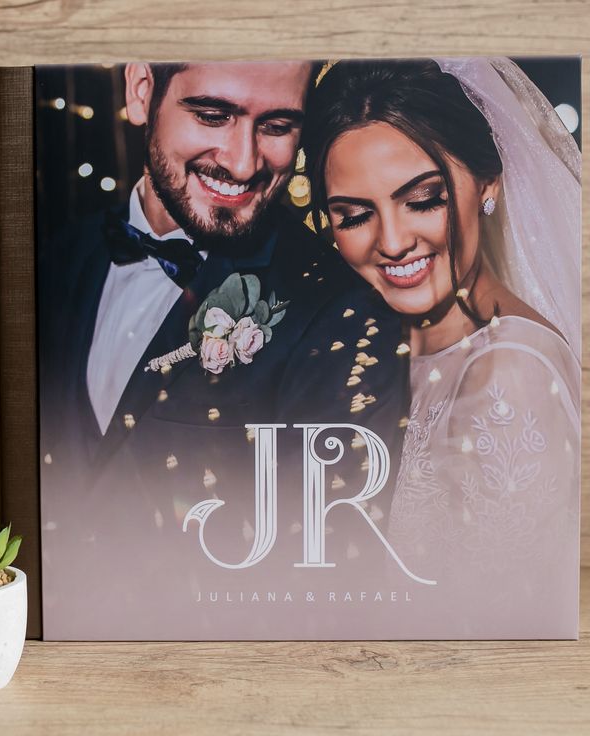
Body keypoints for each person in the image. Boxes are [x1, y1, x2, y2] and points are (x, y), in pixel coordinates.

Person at [37, 62, 408, 639]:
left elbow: (329, 589)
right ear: (142, 92)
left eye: (277, 126)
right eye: (212, 115)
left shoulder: (342, 311)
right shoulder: (55, 258)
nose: (242, 161)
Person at [303, 58, 581, 637]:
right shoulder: (371, 346)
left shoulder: (509, 373)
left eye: (423, 199)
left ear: (488, 181)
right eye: (354, 215)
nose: (394, 242)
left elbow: (507, 633)